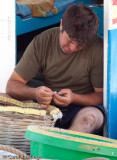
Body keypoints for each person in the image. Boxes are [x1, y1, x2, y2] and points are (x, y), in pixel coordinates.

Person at [3, 4, 105, 134]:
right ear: (61, 25)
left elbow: (102, 96)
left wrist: (74, 98)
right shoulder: (43, 40)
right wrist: (35, 93)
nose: (72, 48)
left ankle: (64, 151)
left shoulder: (98, 48)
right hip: (47, 106)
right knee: (3, 100)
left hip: (82, 107)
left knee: (90, 117)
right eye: (69, 41)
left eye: (79, 46)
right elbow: (12, 85)